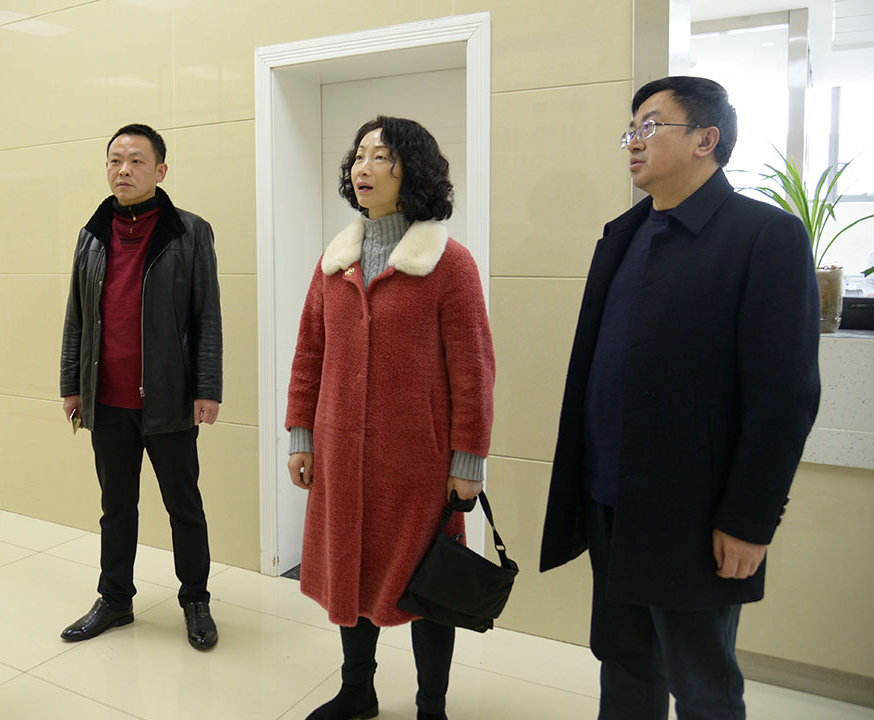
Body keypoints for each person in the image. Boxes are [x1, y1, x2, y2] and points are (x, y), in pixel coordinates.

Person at [539, 76, 821, 720]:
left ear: (705, 139)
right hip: (610, 498)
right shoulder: (624, 234)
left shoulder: (765, 236)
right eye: (630, 130)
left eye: (650, 125)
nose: (634, 142)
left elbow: (785, 398)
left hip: (695, 513)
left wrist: (750, 520)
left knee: (702, 684)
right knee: (624, 661)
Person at [285, 116, 496, 720]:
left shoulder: (449, 263)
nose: (364, 167)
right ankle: (358, 691)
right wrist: (301, 434)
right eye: (359, 155)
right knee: (349, 572)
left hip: (418, 465)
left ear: (414, 171)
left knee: (429, 583)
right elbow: (310, 354)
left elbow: (474, 371)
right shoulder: (335, 262)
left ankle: (432, 706)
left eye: (382, 156)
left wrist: (468, 461)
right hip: (339, 456)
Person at [59, 123, 223, 651]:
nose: (123, 170)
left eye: (135, 161)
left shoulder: (189, 232)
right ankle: (115, 599)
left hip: (170, 398)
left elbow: (207, 316)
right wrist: (72, 385)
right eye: (115, 160)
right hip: (107, 399)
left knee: (184, 506)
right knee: (116, 507)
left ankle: (195, 600)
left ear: (160, 170)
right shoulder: (92, 234)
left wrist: (207, 387)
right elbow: (76, 317)